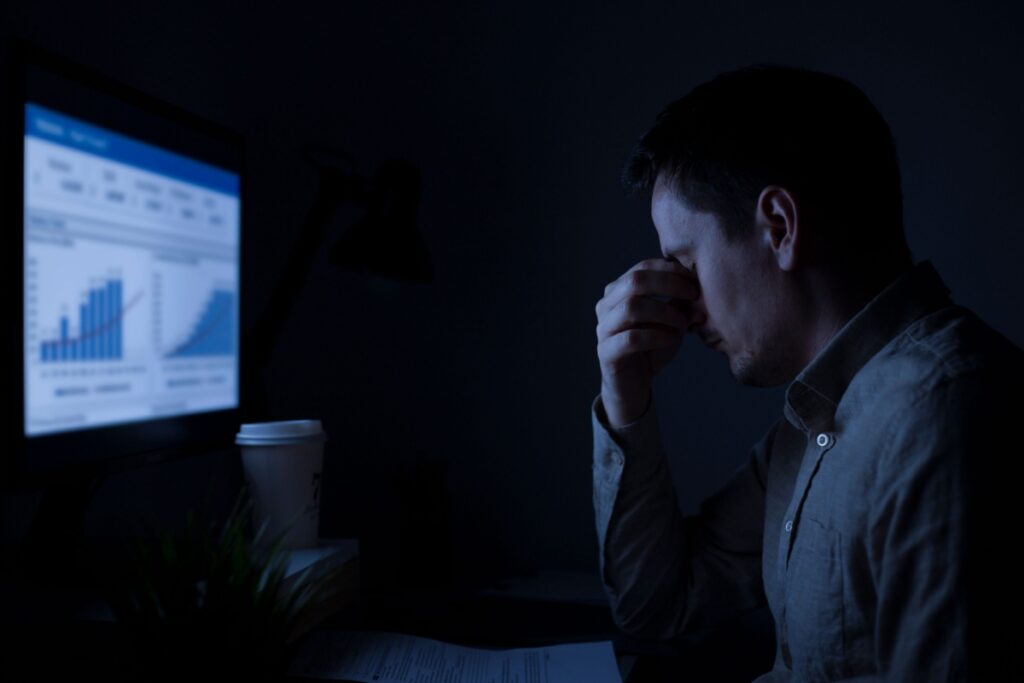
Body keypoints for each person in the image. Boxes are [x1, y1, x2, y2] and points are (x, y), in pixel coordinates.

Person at [592, 64, 1023, 681]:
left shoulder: (942, 418)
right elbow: (659, 611)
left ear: (780, 227)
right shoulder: (810, 425)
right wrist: (625, 397)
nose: (683, 311)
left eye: (686, 264)